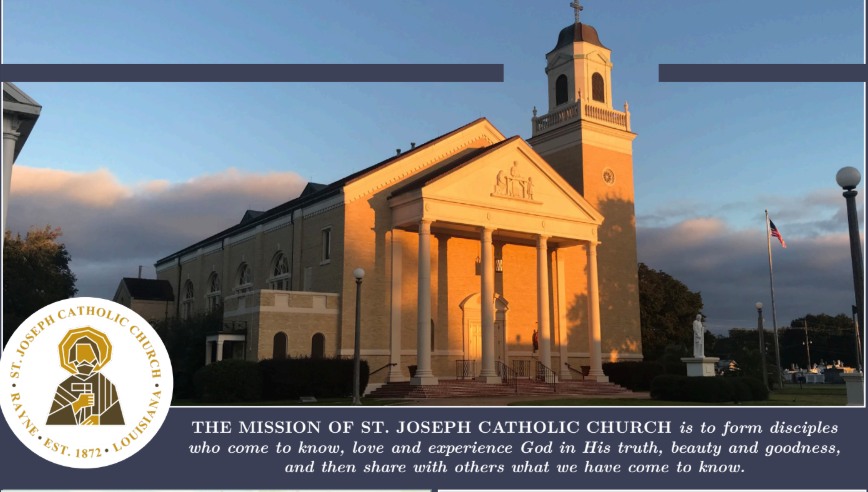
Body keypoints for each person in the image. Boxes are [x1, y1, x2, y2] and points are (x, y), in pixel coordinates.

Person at [47, 330, 124, 426]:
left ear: (97, 360)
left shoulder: (105, 384)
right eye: (79, 359)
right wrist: (78, 404)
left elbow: (117, 418)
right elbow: (53, 421)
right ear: (72, 361)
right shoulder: (64, 386)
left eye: (89, 358)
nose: (84, 362)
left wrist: (100, 420)